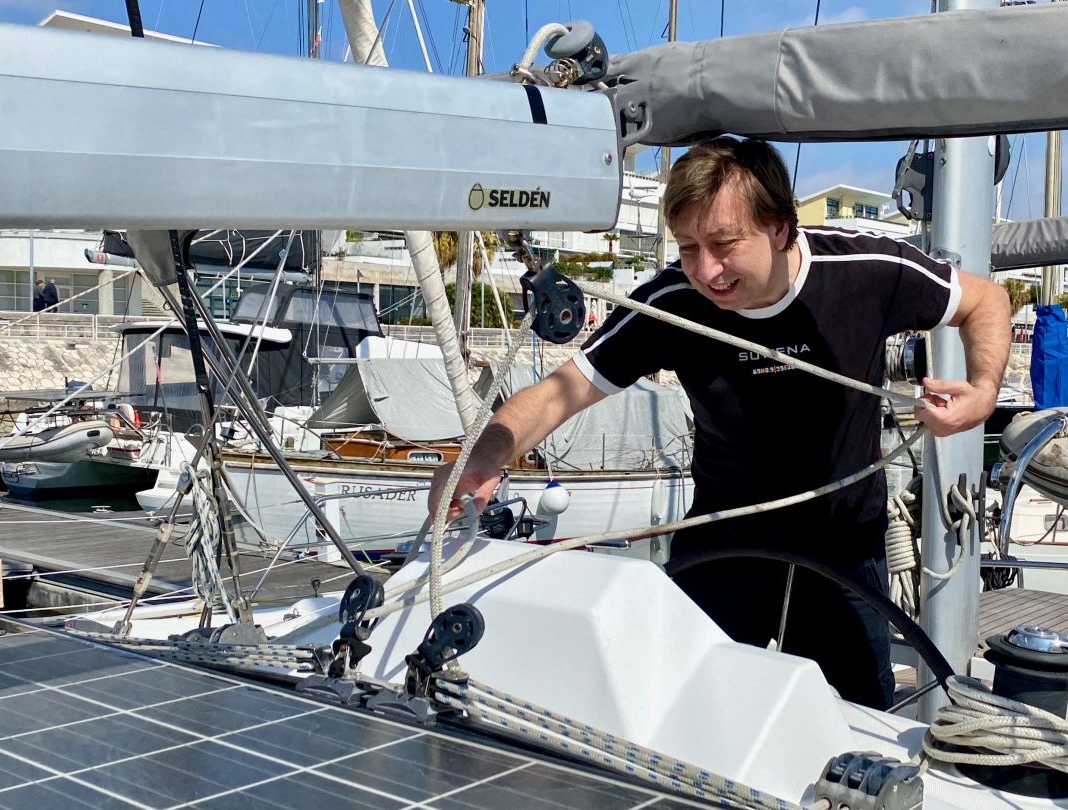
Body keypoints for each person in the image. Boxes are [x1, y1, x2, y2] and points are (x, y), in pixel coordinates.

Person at [427, 136, 1010, 710]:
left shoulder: (868, 270)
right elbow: (561, 391)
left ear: (780, 228)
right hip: (721, 541)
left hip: (843, 547)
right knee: (684, 707)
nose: (707, 270)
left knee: (858, 722)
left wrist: (983, 393)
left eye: (724, 243)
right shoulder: (673, 301)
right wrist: (486, 453)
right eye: (687, 247)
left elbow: (985, 302)